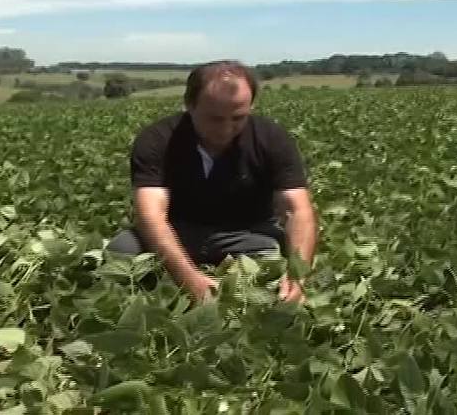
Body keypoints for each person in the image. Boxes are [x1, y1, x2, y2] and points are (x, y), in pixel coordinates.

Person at [106, 60, 317, 303]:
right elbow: (151, 217)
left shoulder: (272, 138)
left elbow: (297, 210)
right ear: (189, 105)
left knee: (274, 261)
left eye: (238, 117)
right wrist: (188, 279)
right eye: (215, 119)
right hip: (180, 230)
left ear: (251, 106)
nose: (226, 129)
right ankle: (170, 287)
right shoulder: (158, 140)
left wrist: (298, 278)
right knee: (120, 252)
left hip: (247, 234)